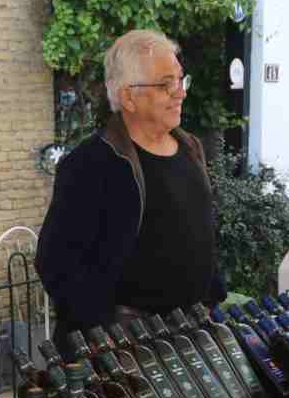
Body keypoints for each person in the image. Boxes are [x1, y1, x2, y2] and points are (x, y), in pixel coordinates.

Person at [35, 29, 221, 341]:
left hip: (189, 336)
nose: (180, 93)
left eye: (180, 80)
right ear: (128, 97)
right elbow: (55, 264)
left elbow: (200, 233)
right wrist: (103, 331)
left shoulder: (191, 148)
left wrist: (214, 295)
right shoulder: (90, 164)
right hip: (124, 346)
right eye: (166, 84)